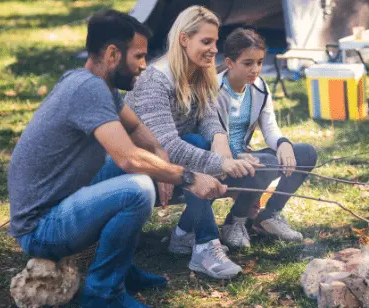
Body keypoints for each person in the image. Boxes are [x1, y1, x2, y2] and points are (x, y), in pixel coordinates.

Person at [7, 10, 226, 308]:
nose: (143, 66)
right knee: (137, 188)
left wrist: (160, 152)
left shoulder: (96, 84)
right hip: (42, 228)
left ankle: (123, 272)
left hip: (65, 204)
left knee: (143, 171)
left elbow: (135, 127)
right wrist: (188, 177)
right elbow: (128, 159)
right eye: (137, 57)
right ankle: (103, 295)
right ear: (112, 54)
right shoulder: (88, 89)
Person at [95, 6, 260, 280]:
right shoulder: (155, 79)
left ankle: (185, 235)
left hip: (161, 163)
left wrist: (220, 140)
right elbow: (167, 145)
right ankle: (205, 245)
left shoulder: (198, 73)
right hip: (120, 167)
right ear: (184, 39)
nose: (213, 49)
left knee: (199, 141)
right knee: (195, 146)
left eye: (215, 42)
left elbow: (208, 119)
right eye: (206, 42)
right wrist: (221, 162)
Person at [212, 28, 318, 248]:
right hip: (217, 161)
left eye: (260, 62)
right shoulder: (215, 90)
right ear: (230, 62)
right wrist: (240, 156)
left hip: (245, 157)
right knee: (266, 164)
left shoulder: (259, 87)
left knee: (306, 153)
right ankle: (236, 221)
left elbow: (270, 128)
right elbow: (214, 137)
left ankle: (269, 215)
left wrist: (283, 143)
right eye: (248, 63)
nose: (256, 70)